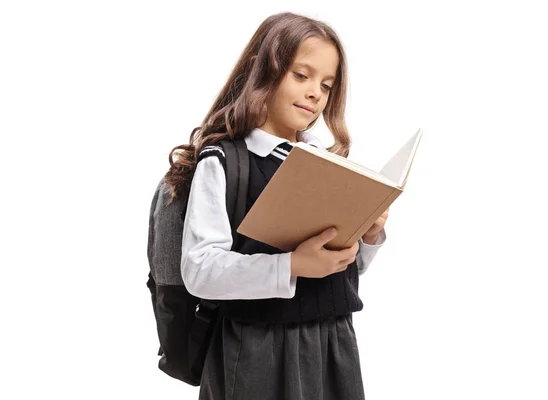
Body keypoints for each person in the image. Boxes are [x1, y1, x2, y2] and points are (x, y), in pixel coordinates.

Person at [163, 11, 389, 400]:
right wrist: (293, 265)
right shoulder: (224, 162)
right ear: (262, 70)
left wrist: (367, 235)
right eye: (301, 75)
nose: (315, 92)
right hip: (256, 349)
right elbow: (199, 270)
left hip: (333, 343)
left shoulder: (324, 162)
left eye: (327, 84)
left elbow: (341, 267)